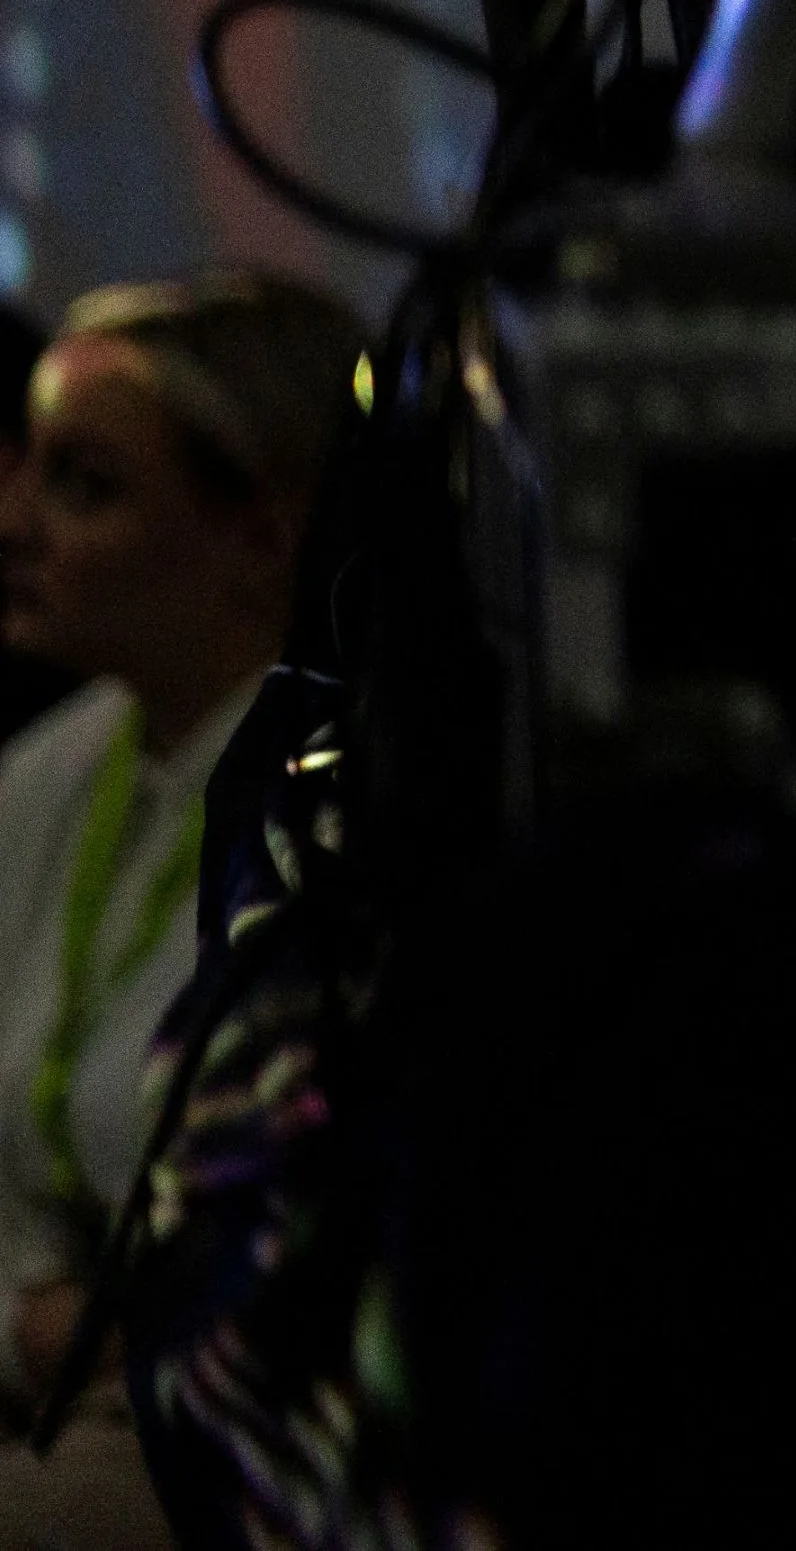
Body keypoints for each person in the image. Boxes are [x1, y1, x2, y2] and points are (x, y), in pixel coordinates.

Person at [0, 270, 359, 1549]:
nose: (12, 519)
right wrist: (26, 1316)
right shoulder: (54, 770)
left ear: (263, 538)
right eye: (27, 466)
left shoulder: (353, 817)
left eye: (84, 485)